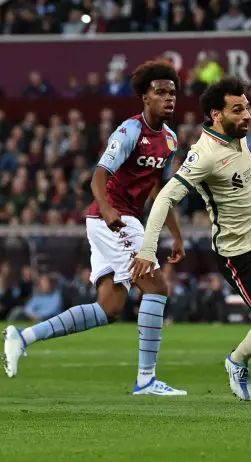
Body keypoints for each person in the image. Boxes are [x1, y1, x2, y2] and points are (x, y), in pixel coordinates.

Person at [3, 60, 187, 396]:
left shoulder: (171, 140)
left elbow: (162, 192)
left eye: (172, 93)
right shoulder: (130, 131)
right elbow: (99, 174)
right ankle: (146, 379)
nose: (168, 98)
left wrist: (175, 234)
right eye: (160, 92)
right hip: (113, 217)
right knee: (156, 288)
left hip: (119, 219)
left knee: (109, 308)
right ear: (145, 97)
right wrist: (106, 207)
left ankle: (23, 336)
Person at [129, 78, 251, 401]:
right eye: (238, 109)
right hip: (240, 252)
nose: (247, 116)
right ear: (217, 115)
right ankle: (237, 360)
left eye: (247, 107)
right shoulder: (204, 156)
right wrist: (148, 250)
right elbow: (163, 199)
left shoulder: (237, 137)